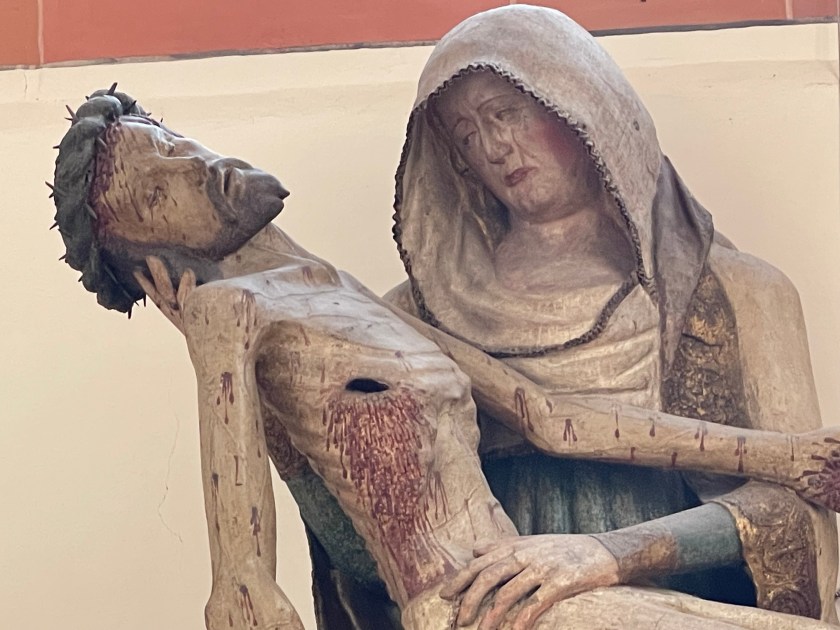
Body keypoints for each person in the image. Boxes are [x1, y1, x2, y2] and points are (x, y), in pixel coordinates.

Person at [385, 4, 839, 628]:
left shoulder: (736, 294)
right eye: (466, 135)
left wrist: (609, 553)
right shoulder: (412, 319)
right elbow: (380, 521)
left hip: (686, 606)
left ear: (582, 103)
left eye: (506, 113)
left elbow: (799, 507)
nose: (494, 147)